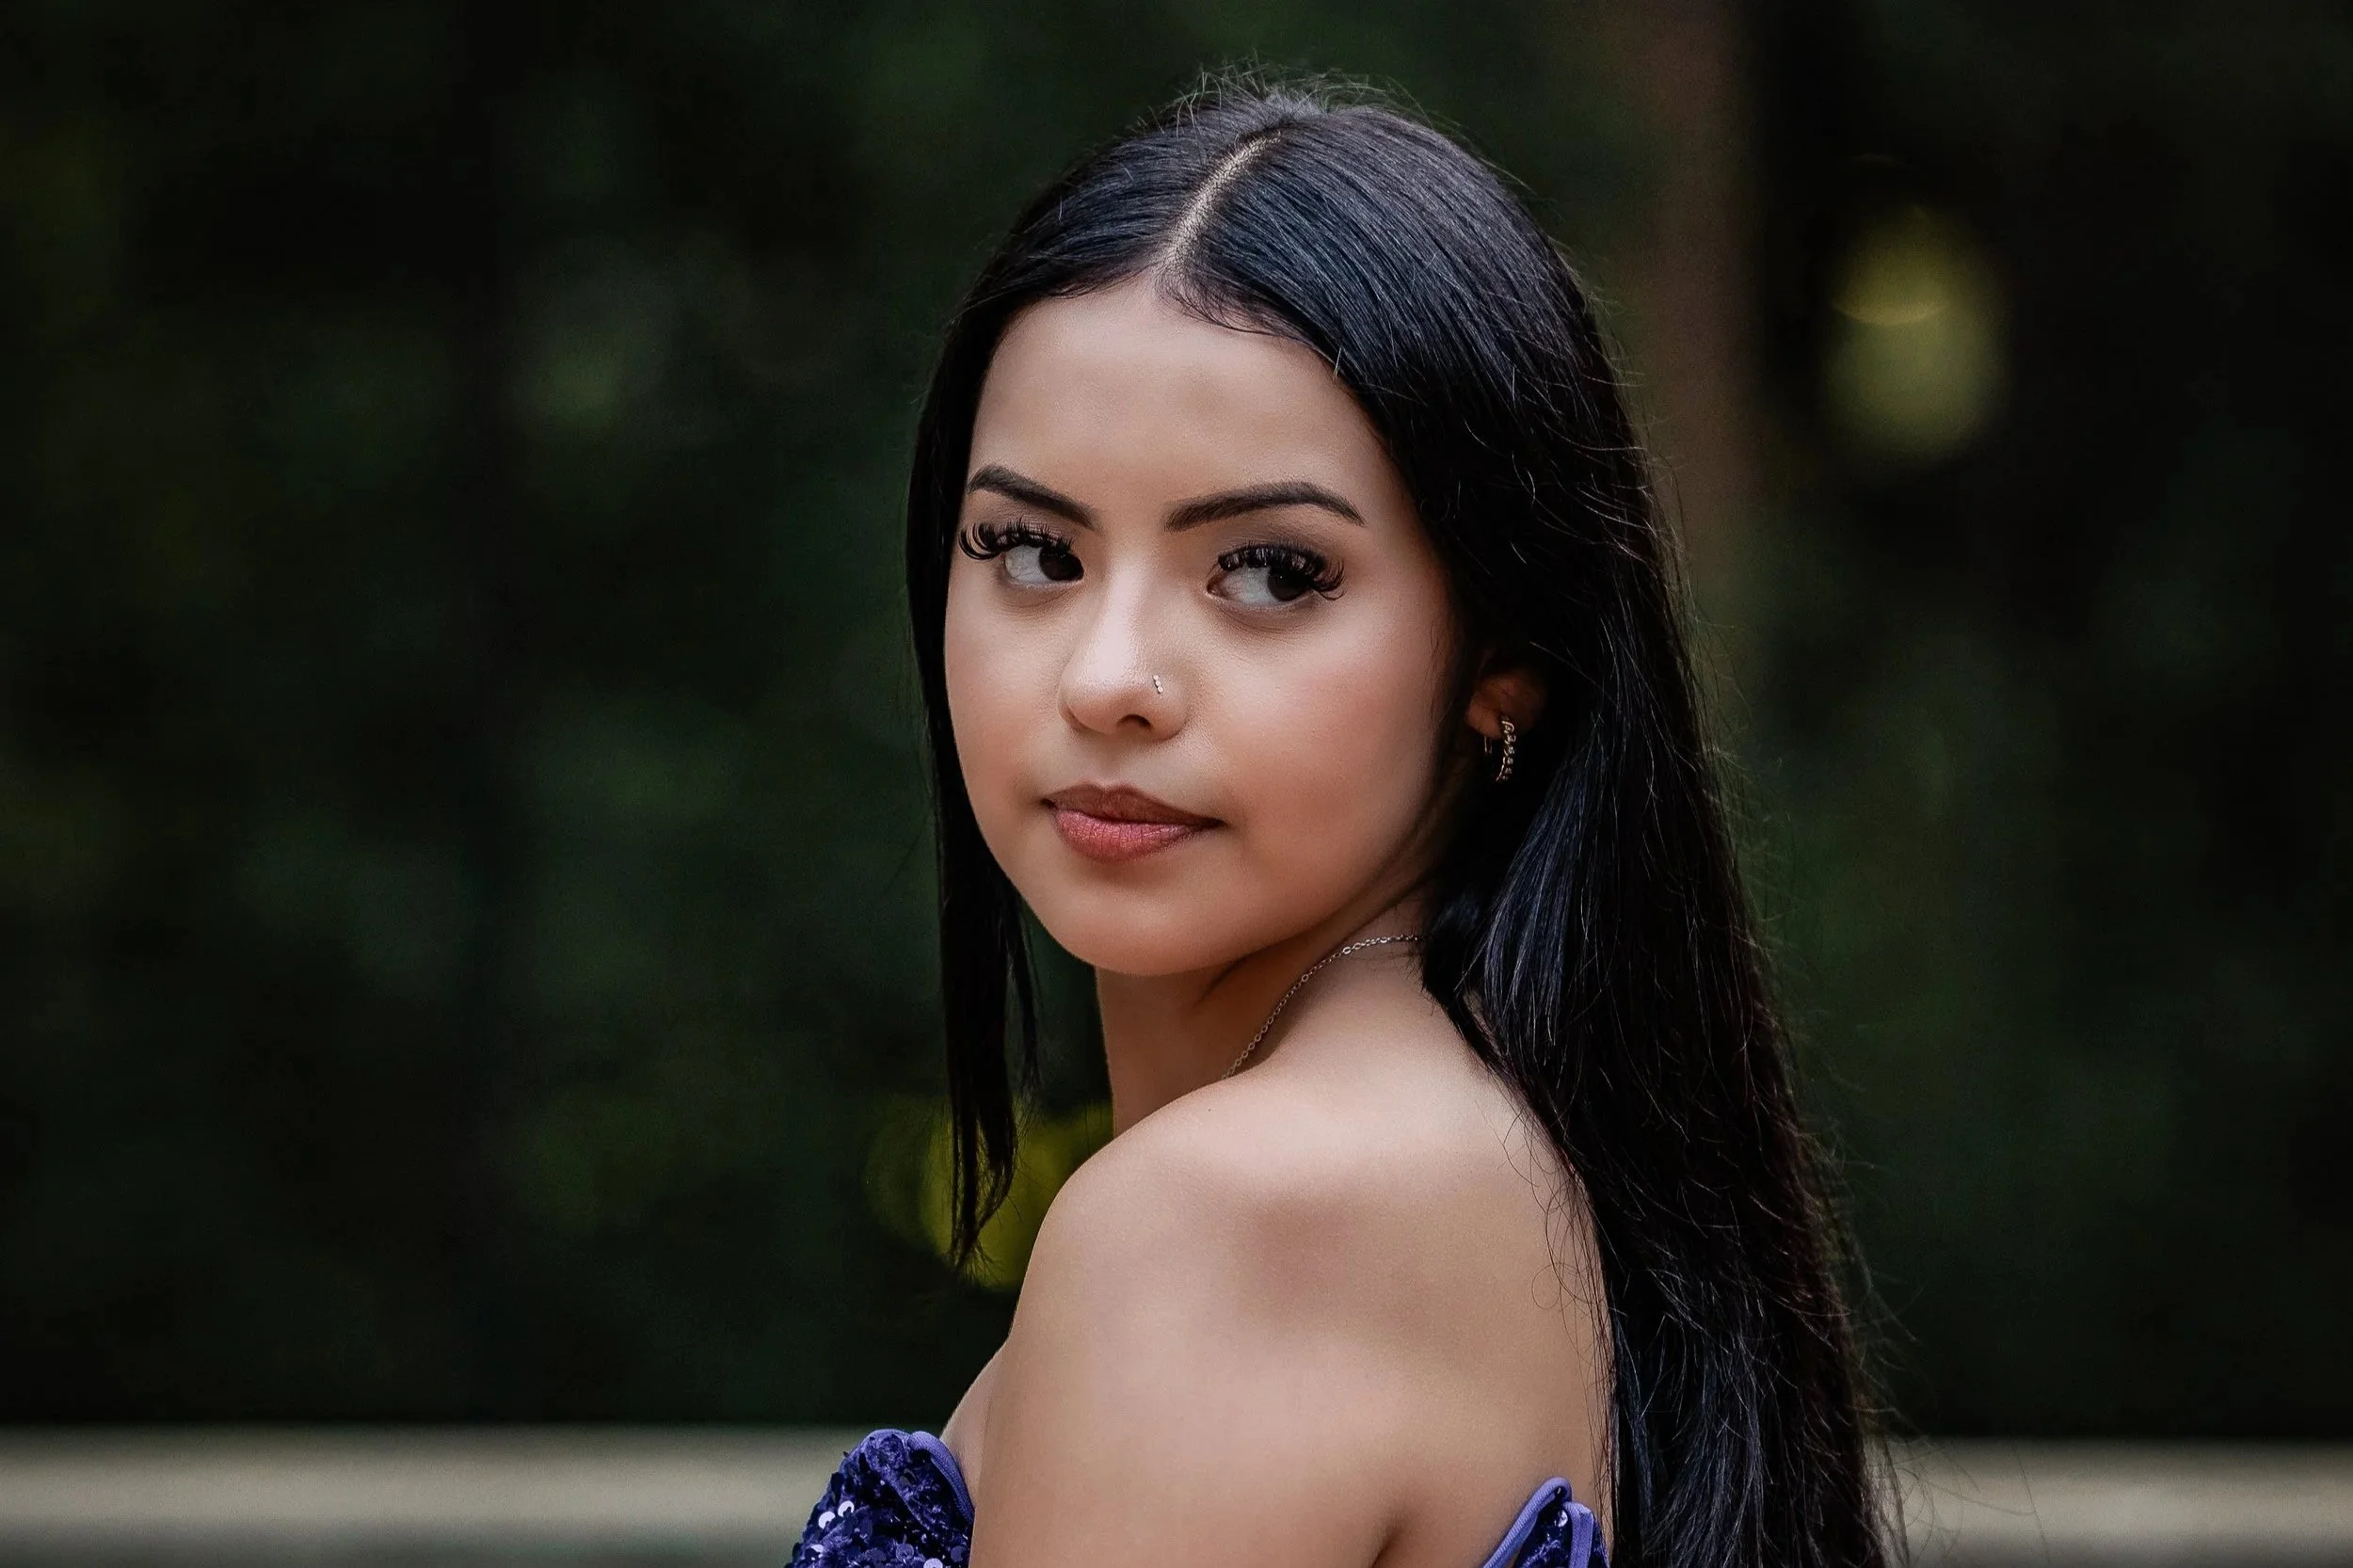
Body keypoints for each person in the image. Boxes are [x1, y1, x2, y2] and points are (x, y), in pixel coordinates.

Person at [791, 80, 1888, 1568]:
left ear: (1507, 652)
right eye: (1034, 549)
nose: (1107, 677)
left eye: (1269, 572)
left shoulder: (1230, 1223)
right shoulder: (1498, 1147)